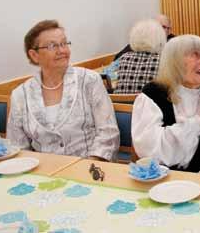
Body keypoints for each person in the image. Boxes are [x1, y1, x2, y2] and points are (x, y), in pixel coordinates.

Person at [7, 20, 120, 161]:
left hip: (89, 169)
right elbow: (17, 146)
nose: (62, 50)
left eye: (64, 43)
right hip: (43, 172)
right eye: (52, 46)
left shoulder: (89, 80)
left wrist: (89, 167)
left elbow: (108, 134)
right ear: (34, 55)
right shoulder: (20, 95)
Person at [132, 35, 200, 176]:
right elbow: (151, 152)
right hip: (163, 183)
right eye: (195, 55)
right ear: (175, 62)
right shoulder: (153, 96)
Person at [114, 19, 166, 94]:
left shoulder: (124, 58)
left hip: (122, 105)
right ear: (160, 38)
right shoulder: (162, 60)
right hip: (150, 104)